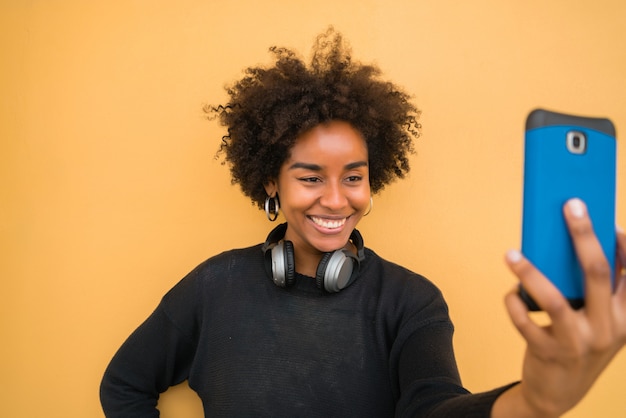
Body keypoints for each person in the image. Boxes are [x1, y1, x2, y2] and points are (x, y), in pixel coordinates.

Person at [100, 28, 626, 417]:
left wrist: (533, 402)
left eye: (353, 177)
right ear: (270, 182)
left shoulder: (410, 301)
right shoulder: (214, 286)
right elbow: (124, 384)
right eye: (310, 178)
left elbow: (434, 408)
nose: (335, 200)